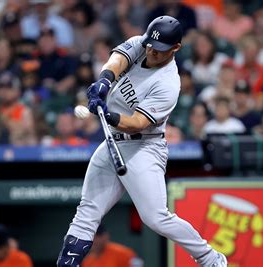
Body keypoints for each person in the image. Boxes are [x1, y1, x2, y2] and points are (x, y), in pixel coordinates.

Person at [56, 16, 227, 267]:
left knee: (155, 217)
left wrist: (108, 113)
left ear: (175, 48)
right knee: (88, 210)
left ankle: (210, 258)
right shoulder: (143, 43)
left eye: (159, 50)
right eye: (149, 45)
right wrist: (105, 79)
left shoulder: (168, 83)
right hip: (113, 142)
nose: (151, 51)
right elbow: (118, 59)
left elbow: (137, 123)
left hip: (144, 147)